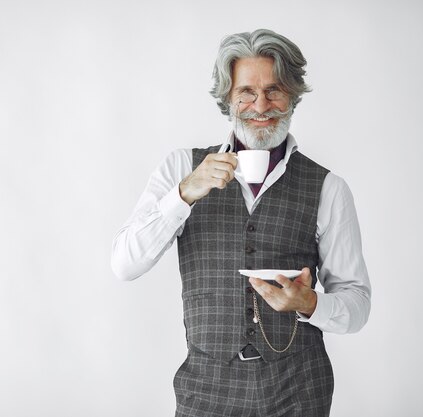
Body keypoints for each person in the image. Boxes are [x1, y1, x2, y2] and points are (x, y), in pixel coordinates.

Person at [111, 29, 371, 417]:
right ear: (228, 99)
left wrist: (311, 302)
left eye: (274, 90)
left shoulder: (329, 188)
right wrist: (184, 193)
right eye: (246, 91)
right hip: (206, 390)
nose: (260, 104)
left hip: (298, 391)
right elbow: (124, 265)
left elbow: (357, 304)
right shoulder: (182, 168)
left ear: (292, 97)